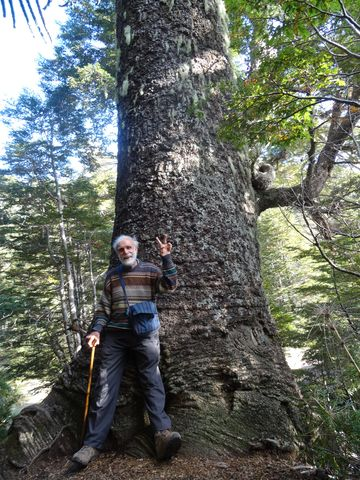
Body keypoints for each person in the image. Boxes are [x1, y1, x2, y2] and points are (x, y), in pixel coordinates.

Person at [72, 234, 181, 467]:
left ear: (136, 249)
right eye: (120, 249)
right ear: (117, 253)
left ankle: (162, 434)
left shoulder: (151, 270)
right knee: (104, 385)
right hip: (115, 336)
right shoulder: (112, 277)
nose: (125, 251)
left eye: (128, 247)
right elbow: (103, 309)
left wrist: (166, 257)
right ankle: (91, 444)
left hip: (145, 334)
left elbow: (170, 285)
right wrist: (96, 331)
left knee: (152, 380)